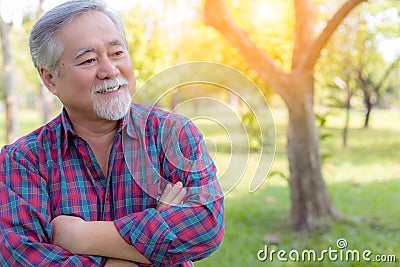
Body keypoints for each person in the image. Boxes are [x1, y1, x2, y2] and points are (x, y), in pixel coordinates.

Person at [0, 0, 224, 266]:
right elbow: (21, 257)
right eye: (89, 60)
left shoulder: (172, 135)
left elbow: (205, 225)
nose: (109, 70)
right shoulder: (22, 161)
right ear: (50, 79)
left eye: (117, 53)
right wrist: (154, 247)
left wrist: (81, 237)